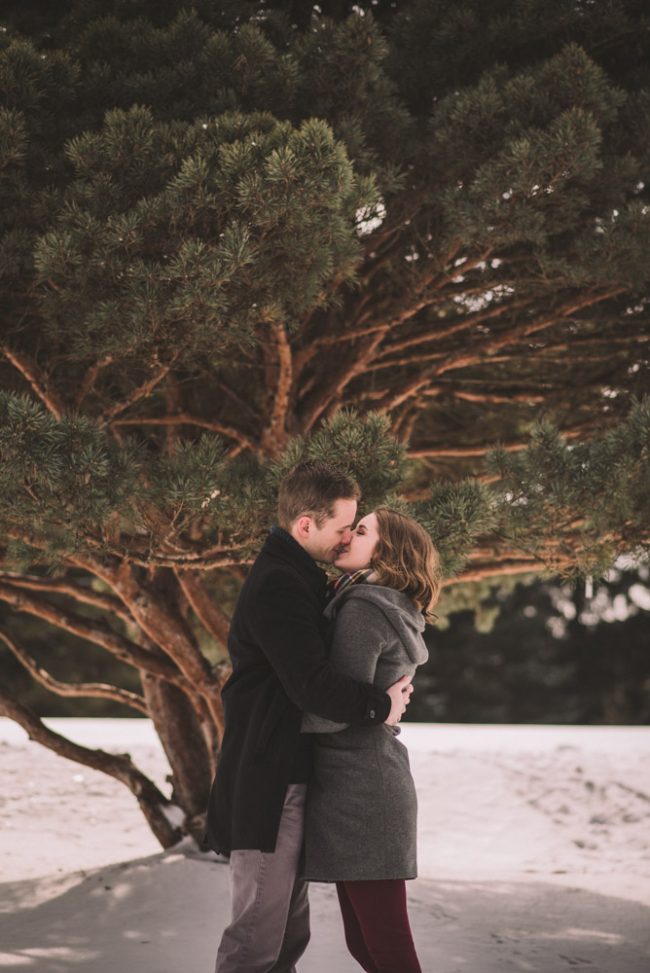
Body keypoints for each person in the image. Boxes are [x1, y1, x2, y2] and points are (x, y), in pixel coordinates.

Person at [205, 463, 414, 973]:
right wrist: (380, 707)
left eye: (356, 529)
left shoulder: (305, 579)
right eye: (344, 527)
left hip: (291, 773)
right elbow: (312, 686)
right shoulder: (280, 584)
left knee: (285, 939)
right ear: (305, 525)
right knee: (257, 940)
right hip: (270, 775)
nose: (347, 537)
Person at [301, 507, 441, 973]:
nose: (346, 536)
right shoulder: (389, 605)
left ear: (387, 552)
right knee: (368, 946)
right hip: (366, 782)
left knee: (386, 948)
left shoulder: (363, 608)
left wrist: (272, 720)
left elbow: (334, 711)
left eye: (360, 531)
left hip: (361, 792)